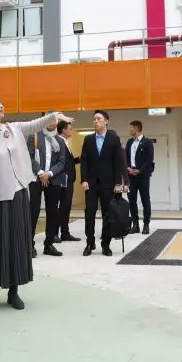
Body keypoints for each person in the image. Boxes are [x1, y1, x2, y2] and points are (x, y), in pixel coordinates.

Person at [0, 93, 72, 311]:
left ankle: (14, 291)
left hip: (18, 193)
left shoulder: (14, 128)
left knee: (17, 242)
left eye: (0, 102)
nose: (1, 106)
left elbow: (36, 124)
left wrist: (54, 115)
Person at [79, 109, 129, 257]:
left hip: (108, 183)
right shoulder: (88, 139)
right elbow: (84, 161)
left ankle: (105, 244)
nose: (96, 121)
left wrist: (118, 183)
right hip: (91, 183)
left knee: (108, 214)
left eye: (99, 119)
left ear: (106, 121)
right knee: (89, 212)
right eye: (94, 119)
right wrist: (84, 179)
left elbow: (118, 162)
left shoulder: (113, 138)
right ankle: (90, 242)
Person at [25, 116, 66, 257]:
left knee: (53, 212)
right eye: (49, 120)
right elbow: (29, 157)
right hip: (36, 179)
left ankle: (49, 244)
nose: (51, 123)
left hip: (53, 179)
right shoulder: (34, 136)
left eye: (54, 121)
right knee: (33, 211)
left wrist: (49, 173)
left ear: (57, 123)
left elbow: (61, 162)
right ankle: (29, 245)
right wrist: (41, 173)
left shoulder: (60, 141)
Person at [125, 120, 155, 235]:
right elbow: (125, 157)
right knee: (131, 200)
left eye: (131, 128)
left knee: (145, 200)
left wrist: (139, 170)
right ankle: (135, 225)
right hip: (131, 176)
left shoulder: (147, 142)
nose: (129, 130)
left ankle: (146, 224)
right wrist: (128, 168)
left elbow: (149, 160)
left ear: (137, 129)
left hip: (143, 176)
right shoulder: (129, 142)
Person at [54, 120, 80, 242]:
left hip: (68, 179)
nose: (71, 130)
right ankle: (54, 233)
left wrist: (79, 159)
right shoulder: (58, 142)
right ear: (63, 130)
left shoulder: (65, 142)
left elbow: (68, 161)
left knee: (66, 206)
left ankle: (65, 232)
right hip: (61, 179)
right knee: (60, 206)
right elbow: (58, 163)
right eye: (70, 128)